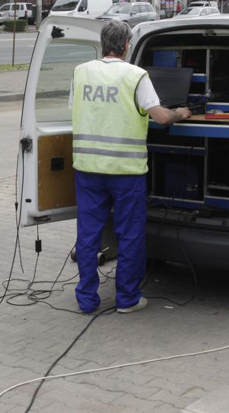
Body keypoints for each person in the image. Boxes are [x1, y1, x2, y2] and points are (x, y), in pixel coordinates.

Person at [71, 20, 191, 314]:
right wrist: (181, 112)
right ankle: (127, 299)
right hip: (125, 172)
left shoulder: (80, 72)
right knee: (130, 235)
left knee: (88, 236)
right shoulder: (136, 75)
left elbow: (75, 110)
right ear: (127, 45)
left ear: (103, 43)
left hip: (88, 168)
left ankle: (87, 299)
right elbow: (160, 117)